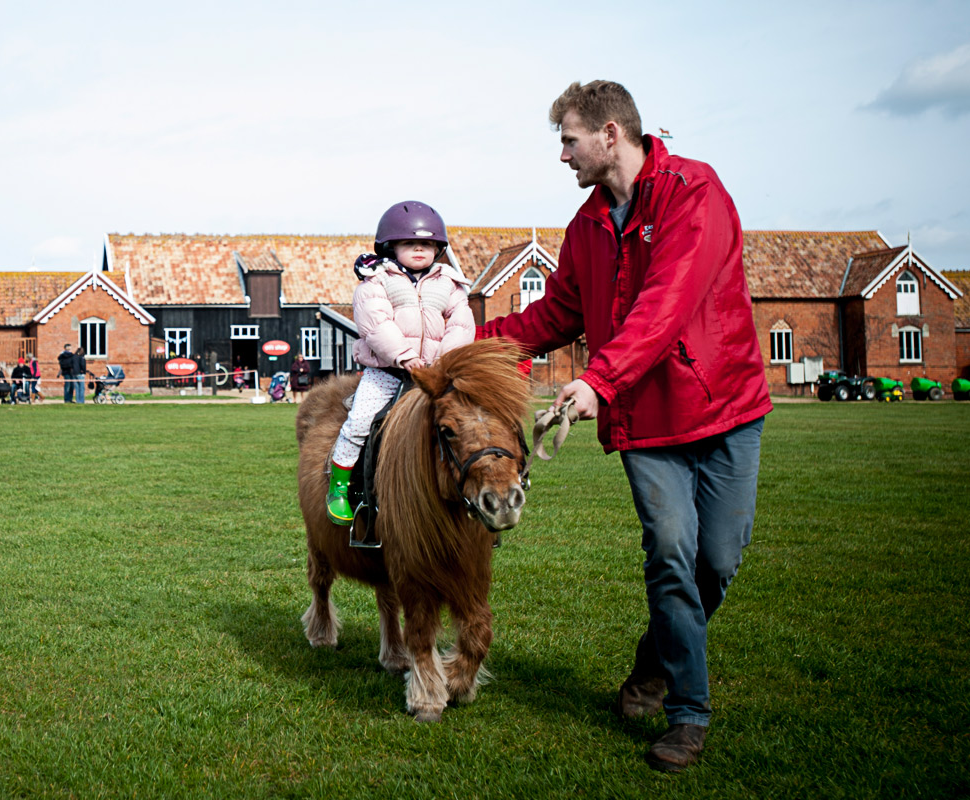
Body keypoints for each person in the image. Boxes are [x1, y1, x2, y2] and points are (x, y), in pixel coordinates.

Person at [477, 81, 772, 772]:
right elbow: (551, 318)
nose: (562, 155)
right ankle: (688, 717)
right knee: (671, 555)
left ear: (612, 134)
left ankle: (653, 665)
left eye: (569, 140)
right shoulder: (585, 229)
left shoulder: (693, 191)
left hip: (725, 408)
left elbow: (668, 302)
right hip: (647, 423)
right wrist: (468, 340)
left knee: (716, 563)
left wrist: (598, 380)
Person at [324, 201, 473, 526]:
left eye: (427, 243)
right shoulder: (375, 282)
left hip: (435, 373)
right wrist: (407, 359)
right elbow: (376, 326)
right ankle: (340, 487)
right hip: (387, 372)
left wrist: (443, 363)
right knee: (360, 421)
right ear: (390, 247)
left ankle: (473, 491)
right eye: (409, 243)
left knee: (467, 425)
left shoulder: (451, 284)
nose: (419, 248)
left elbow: (460, 326)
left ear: (438, 247)